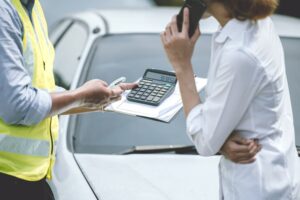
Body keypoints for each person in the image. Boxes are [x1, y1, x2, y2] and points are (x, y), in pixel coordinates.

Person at [161, 0, 300, 199]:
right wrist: (221, 140)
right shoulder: (253, 26)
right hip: (273, 179)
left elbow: (204, 141)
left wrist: (182, 64)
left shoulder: (241, 53)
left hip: (258, 188)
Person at [0, 0, 136, 199]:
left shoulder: (32, 8)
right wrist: (81, 95)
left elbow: (42, 94)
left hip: (29, 178)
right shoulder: (4, 12)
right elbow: (18, 106)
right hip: (7, 179)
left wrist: (105, 99)